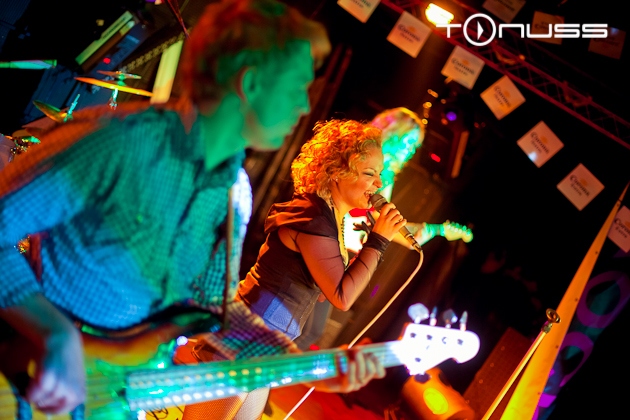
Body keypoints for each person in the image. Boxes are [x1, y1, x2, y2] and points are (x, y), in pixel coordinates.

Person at [0, 1, 384, 418]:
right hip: (30, 380)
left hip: (112, 396)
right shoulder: (117, 142)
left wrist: (317, 370)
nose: (304, 106)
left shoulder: (234, 194)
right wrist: (52, 332)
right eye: (296, 88)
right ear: (251, 83)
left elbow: (214, 310)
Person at [236, 118, 408, 342]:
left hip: (265, 336)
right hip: (248, 334)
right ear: (337, 171)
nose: (379, 184)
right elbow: (342, 298)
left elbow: (324, 290)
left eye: (379, 174)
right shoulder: (314, 217)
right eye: (369, 173)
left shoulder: (331, 219)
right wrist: (378, 241)